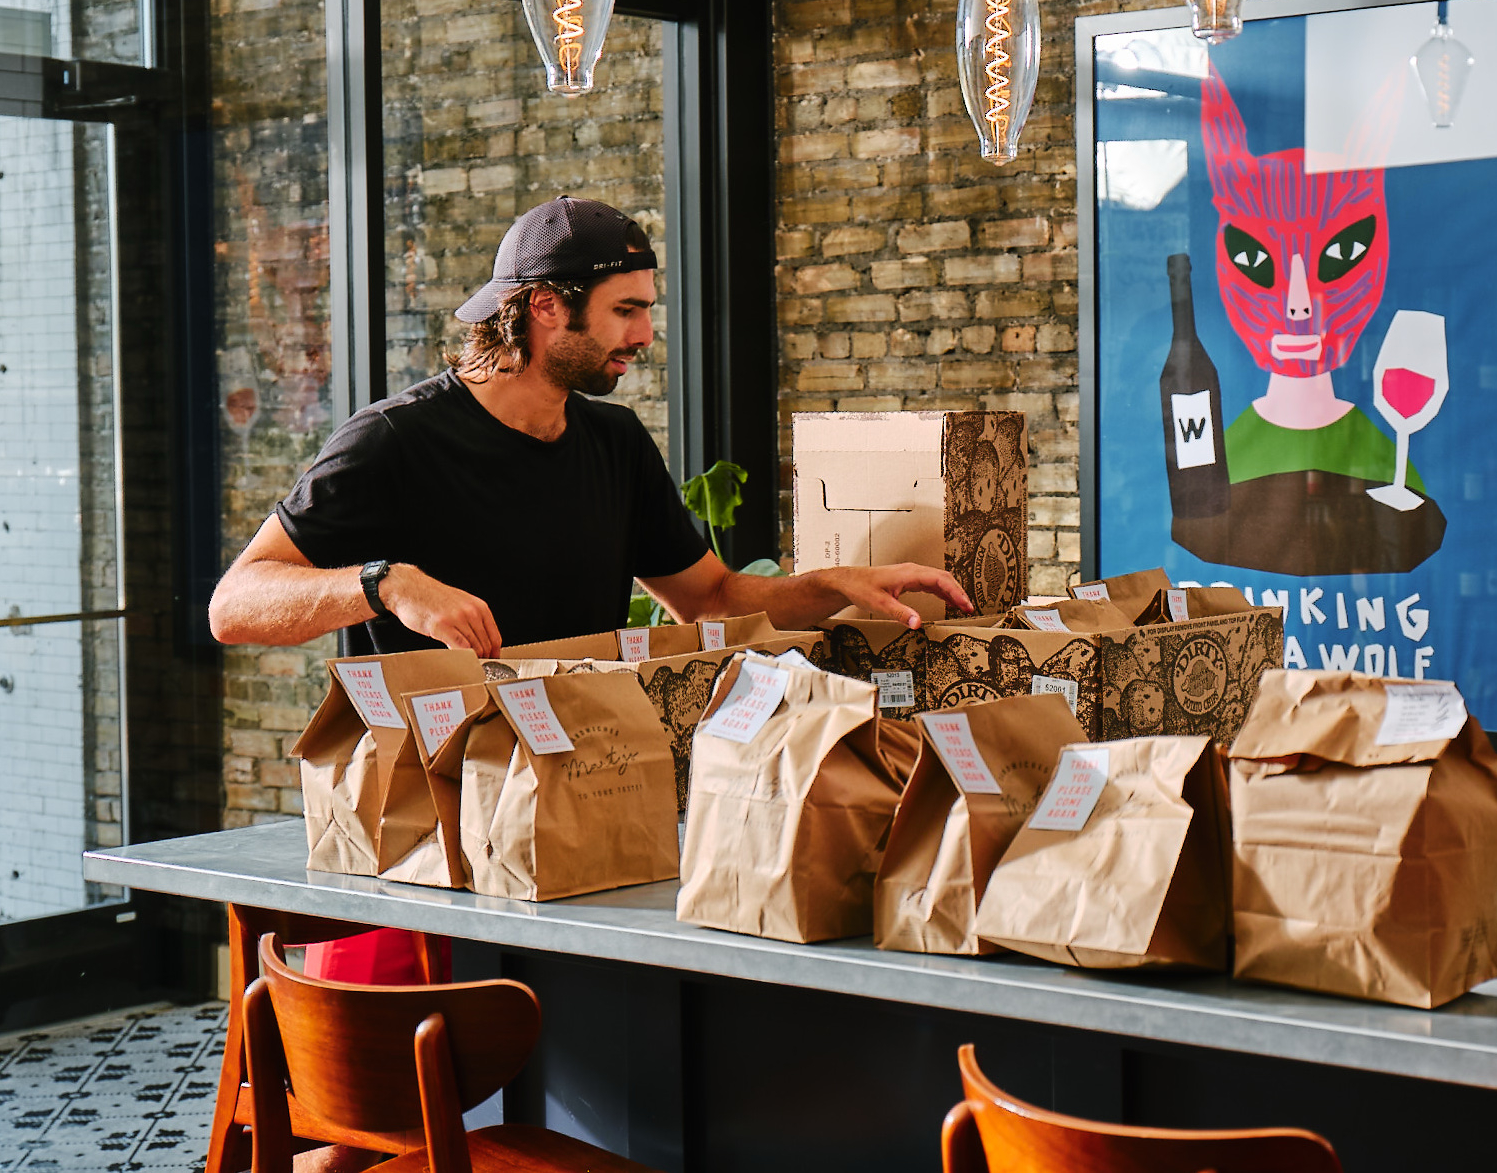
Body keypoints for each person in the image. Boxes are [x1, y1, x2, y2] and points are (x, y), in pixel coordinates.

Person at [208, 196, 972, 992]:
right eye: (626, 310)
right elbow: (236, 605)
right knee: (416, 1086)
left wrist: (832, 587)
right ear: (544, 306)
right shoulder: (393, 443)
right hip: (427, 854)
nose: (643, 335)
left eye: (645, 310)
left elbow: (708, 601)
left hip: (584, 825)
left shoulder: (614, 444)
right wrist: (385, 583)